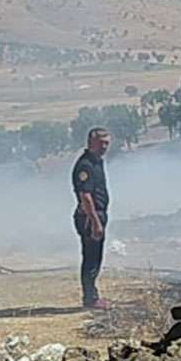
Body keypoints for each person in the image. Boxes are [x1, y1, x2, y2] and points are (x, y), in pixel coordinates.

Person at [72, 127, 112, 310]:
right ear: (91, 142)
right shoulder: (85, 165)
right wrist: (95, 222)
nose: (104, 147)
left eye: (107, 143)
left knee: (96, 258)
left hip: (98, 214)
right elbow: (86, 197)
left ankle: (92, 296)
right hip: (89, 217)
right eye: (101, 143)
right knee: (91, 259)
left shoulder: (97, 163)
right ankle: (91, 298)